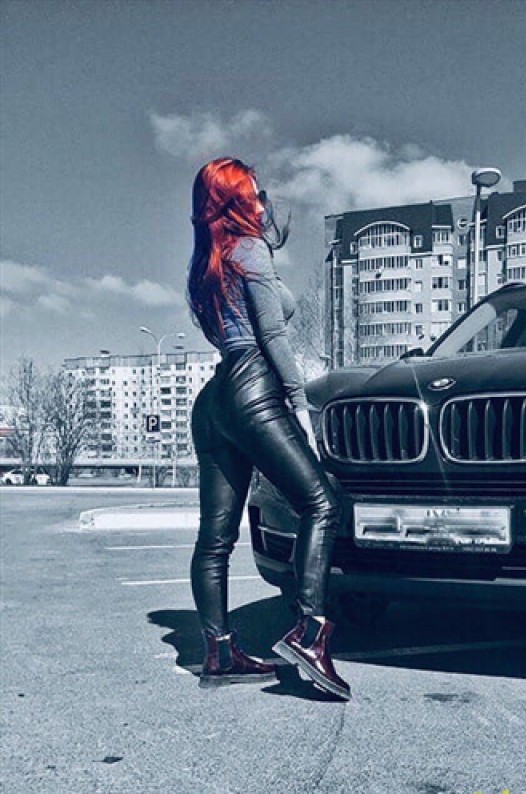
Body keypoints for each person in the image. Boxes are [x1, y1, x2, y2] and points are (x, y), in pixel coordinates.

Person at [186, 157, 350, 700]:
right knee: (321, 503)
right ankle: (310, 634)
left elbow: (227, 336)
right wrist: (300, 405)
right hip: (254, 386)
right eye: (254, 193)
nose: (262, 201)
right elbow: (274, 336)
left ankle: (219, 653)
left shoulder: (205, 266)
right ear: (235, 200)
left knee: (215, 538)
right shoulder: (249, 250)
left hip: (215, 399)